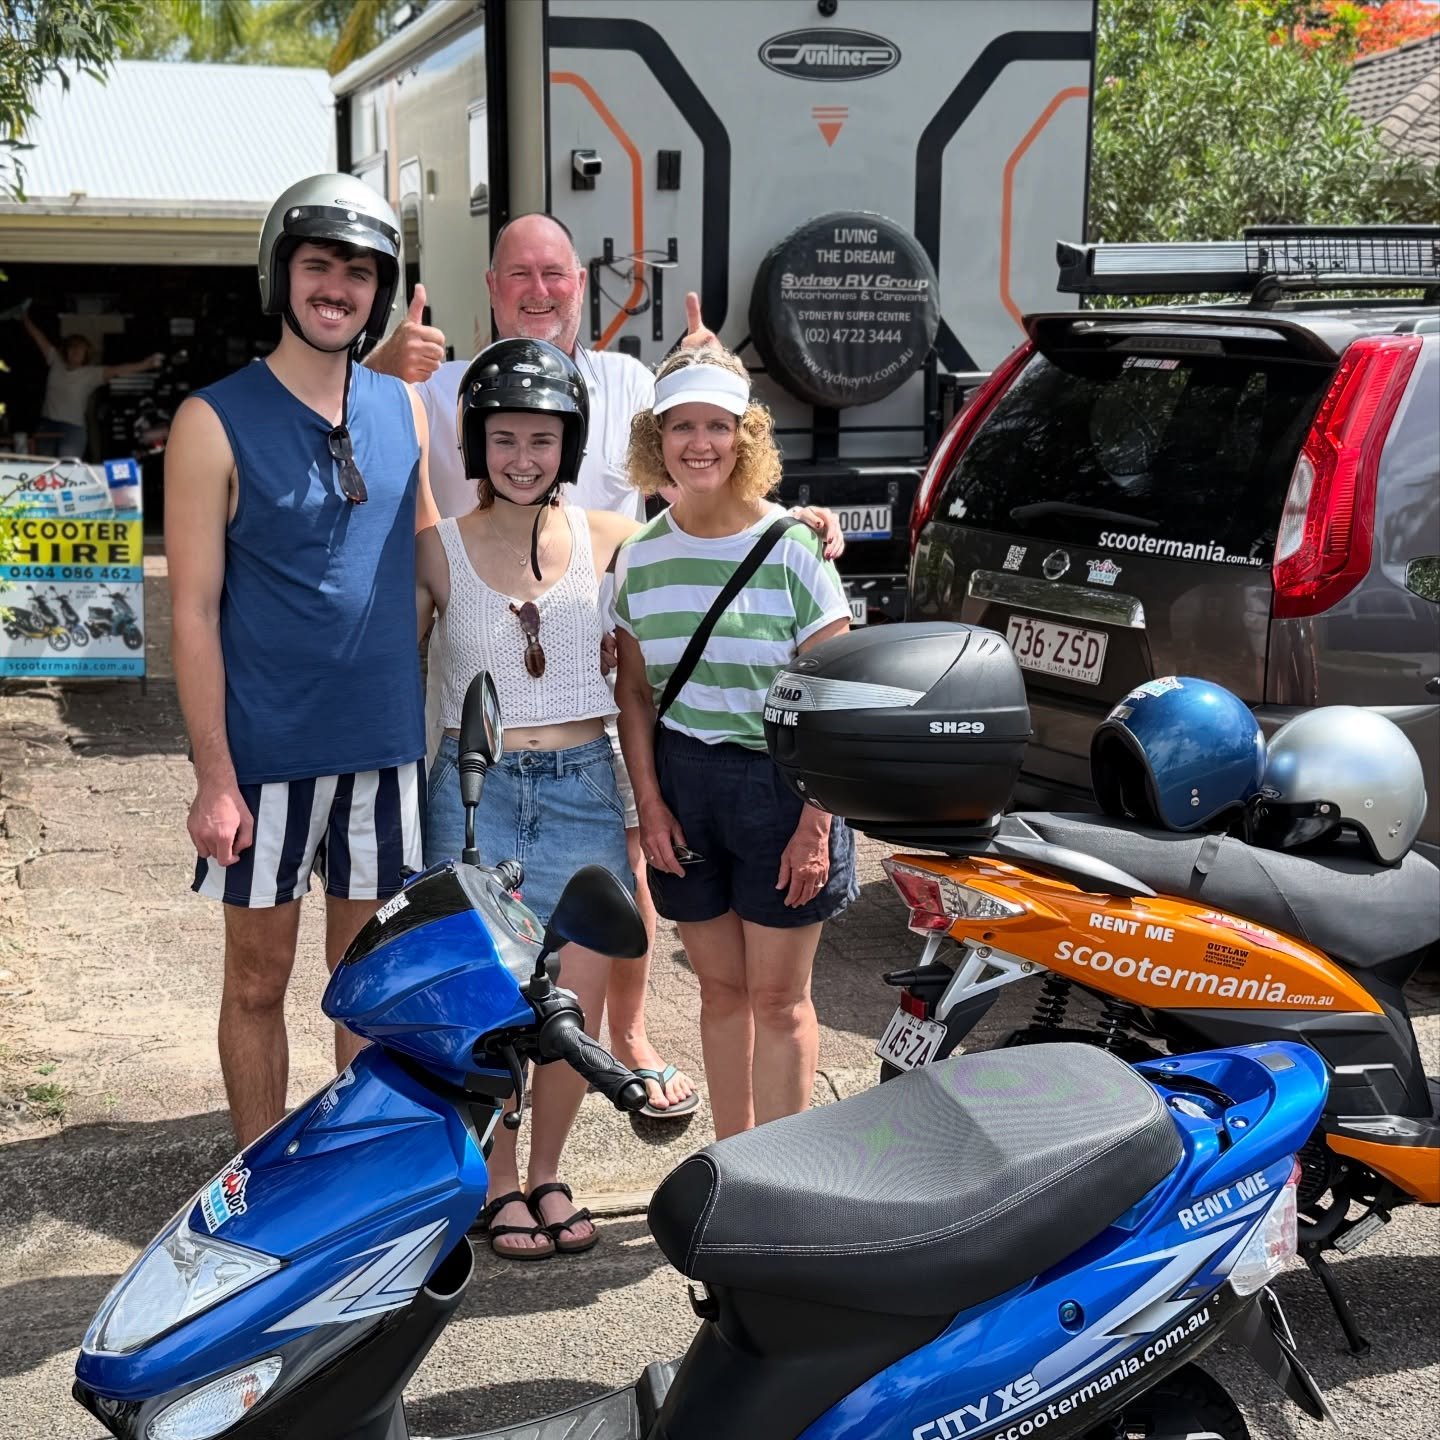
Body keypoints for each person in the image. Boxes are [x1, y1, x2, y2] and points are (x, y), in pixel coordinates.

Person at [368, 211, 841, 1119]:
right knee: (496, 992)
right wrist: (382, 369)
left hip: (605, 748)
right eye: (519, 275)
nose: (538, 291)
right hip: (491, 766)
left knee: (607, 957)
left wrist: (800, 520)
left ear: (582, 286)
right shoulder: (445, 391)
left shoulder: (624, 415)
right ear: (491, 287)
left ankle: (622, 1056)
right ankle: (514, 1162)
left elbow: (711, 484)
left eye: (556, 274)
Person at [166, 173, 439, 1148]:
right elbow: (192, 613)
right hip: (265, 763)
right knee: (256, 983)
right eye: (318, 265)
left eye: (359, 273)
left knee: (366, 989)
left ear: (380, 290)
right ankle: (257, 1180)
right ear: (279, 274)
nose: (338, 288)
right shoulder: (212, 421)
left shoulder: (404, 409)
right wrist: (214, 778)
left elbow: (439, 565)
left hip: (384, 754)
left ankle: (347, 1178)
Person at [415, 336, 636, 1259]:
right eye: (503, 438)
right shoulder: (435, 552)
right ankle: (498, 1182)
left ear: (569, 444)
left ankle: (549, 1170)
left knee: (575, 1002)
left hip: (586, 782)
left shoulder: (615, 537)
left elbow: (712, 540)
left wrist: (807, 521)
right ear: (475, 443)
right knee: (495, 1002)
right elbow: (388, 667)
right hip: (475, 788)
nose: (521, 458)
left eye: (542, 439)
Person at [613, 345, 857, 1141]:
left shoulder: (793, 549)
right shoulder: (639, 556)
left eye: (717, 425)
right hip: (685, 786)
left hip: (785, 787)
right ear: (656, 438)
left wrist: (816, 825)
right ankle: (734, 1162)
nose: (700, 443)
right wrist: (650, 806)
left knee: (779, 1000)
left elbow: (833, 695)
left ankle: (782, 1176)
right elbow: (636, 694)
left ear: (745, 436)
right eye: (681, 426)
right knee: (720, 994)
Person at [18, 303, 163, 459]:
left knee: (68, 468)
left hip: (72, 428)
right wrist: (24, 317)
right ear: (66, 350)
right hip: (47, 426)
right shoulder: (55, 361)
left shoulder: (91, 373)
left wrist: (145, 364)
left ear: (86, 354)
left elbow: (118, 370)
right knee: (44, 467)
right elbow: (39, 338)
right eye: (73, 347)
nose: (76, 351)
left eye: (80, 349)